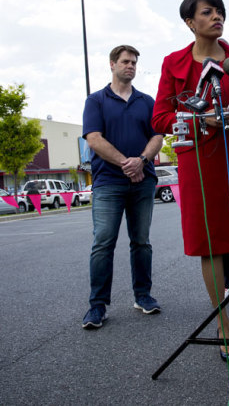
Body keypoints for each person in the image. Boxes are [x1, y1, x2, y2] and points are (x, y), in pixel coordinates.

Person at [152, 0, 229, 364]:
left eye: (220, 12)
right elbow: (159, 118)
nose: (217, 17)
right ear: (189, 22)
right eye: (208, 12)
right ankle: (224, 326)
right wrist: (200, 118)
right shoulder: (173, 63)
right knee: (211, 244)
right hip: (198, 162)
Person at [81, 45, 164, 329]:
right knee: (103, 242)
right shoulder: (96, 100)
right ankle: (97, 306)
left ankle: (143, 296)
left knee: (141, 241)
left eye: (134, 62)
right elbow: (93, 138)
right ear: (112, 65)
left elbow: (157, 137)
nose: (131, 66)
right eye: (126, 62)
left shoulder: (146, 101)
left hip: (143, 182)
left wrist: (141, 161)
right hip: (108, 183)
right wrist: (126, 164)